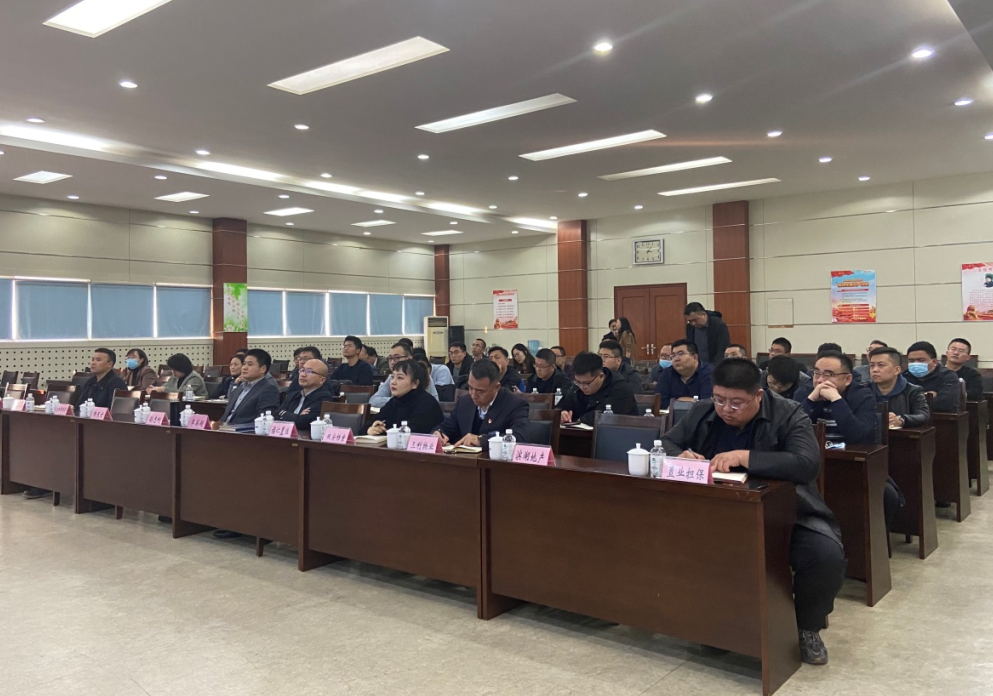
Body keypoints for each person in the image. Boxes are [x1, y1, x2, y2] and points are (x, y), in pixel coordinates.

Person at [660, 359, 845, 666]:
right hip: (717, 513)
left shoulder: (788, 413)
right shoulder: (702, 411)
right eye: (719, 399)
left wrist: (746, 457)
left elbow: (807, 464)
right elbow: (667, 441)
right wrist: (681, 454)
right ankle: (717, 622)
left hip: (787, 512)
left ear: (758, 395)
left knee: (825, 555)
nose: (726, 409)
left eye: (736, 403)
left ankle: (806, 628)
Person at [24, 349, 126, 500]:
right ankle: (46, 483)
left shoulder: (116, 383)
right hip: (84, 425)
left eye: (98, 360)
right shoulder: (90, 381)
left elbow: (115, 411)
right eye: (92, 359)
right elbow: (79, 405)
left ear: (110, 364)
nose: (93, 363)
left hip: (103, 430)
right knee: (48, 441)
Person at [868, 347, 928, 527]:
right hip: (872, 446)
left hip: (902, 447)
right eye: (871, 365)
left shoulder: (912, 390)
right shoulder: (863, 390)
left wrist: (902, 419)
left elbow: (924, 415)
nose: (875, 370)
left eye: (881, 365)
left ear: (897, 369)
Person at [434, 360, 530, 447]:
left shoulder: (515, 405)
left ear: (496, 387)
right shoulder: (465, 402)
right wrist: (439, 434)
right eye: (470, 388)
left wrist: (481, 440)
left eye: (480, 391)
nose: (473, 395)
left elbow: (519, 437)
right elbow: (447, 426)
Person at [793, 351, 876, 445]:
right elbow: (792, 432)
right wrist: (810, 401)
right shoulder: (804, 393)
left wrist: (836, 400)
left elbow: (857, 435)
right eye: (817, 373)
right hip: (811, 452)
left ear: (847, 379)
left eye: (829, 374)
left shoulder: (863, 396)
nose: (820, 380)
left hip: (850, 452)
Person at [558, 351, 639, 425]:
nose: (582, 387)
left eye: (587, 383)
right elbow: (562, 405)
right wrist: (563, 413)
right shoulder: (577, 386)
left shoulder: (621, 389)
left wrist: (579, 420)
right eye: (578, 382)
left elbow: (602, 417)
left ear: (601, 376)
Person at [368, 360, 445, 436]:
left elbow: (411, 432)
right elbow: (371, 423)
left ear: (415, 383)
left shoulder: (427, 403)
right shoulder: (394, 401)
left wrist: (383, 431)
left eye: (400, 378)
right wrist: (371, 429)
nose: (393, 382)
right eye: (392, 377)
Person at [219, 349, 280, 425]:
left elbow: (263, 421)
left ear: (263, 369)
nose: (244, 368)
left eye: (250, 364)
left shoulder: (268, 390)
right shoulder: (238, 390)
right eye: (244, 364)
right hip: (224, 429)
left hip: (244, 431)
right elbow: (224, 417)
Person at [370, 343, 439, 407]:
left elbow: (433, 403)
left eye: (397, 357)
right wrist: (400, 401)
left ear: (409, 358)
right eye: (390, 358)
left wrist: (402, 401)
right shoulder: (392, 378)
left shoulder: (422, 376)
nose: (392, 362)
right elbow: (374, 401)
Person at [655, 340, 714, 409]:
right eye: (673, 355)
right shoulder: (667, 373)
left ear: (695, 358)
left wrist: (676, 402)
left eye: (680, 354)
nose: (676, 359)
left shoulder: (709, 373)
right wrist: (692, 401)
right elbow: (660, 403)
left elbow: (707, 404)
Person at [905, 341, 962, 413]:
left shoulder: (948, 376)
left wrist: (912, 400)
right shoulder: (904, 376)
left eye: (921, 360)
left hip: (940, 417)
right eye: (911, 361)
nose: (916, 364)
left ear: (934, 362)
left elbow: (945, 404)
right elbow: (897, 403)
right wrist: (928, 397)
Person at [276, 359, 333, 430]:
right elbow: (275, 416)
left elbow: (304, 422)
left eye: (309, 371)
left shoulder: (323, 397)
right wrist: (297, 416)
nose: (303, 375)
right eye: (302, 370)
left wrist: (285, 414)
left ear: (322, 380)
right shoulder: (293, 395)